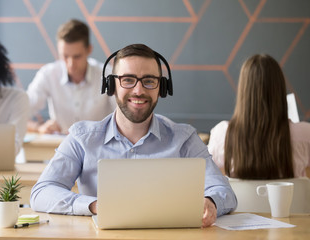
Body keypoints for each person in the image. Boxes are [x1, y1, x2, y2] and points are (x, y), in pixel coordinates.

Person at [30, 43, 237, 228]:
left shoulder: (184, 138)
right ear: (111, 86)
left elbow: (223, 190)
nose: (138, 90)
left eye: (149, 81)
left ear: (162, 88)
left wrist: (211, 201)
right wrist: (94, 205)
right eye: (128, 80)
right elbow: (42, 192)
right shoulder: (82, 137)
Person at [208, 54, 310, 179]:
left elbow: (207, 178)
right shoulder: (305, 134)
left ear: (243, 91)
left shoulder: (222, 133)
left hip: (242, 200)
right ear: (279, 89)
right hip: (294, 200)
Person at [26, 19, 116, 134]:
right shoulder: (48, 74)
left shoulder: (107, 74)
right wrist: (38, 127)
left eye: (77, 56)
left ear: (89, 50)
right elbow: (20, 113)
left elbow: (124, 116)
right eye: (65, 56)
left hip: (98, 146)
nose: (70, 64)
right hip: (59, 145)